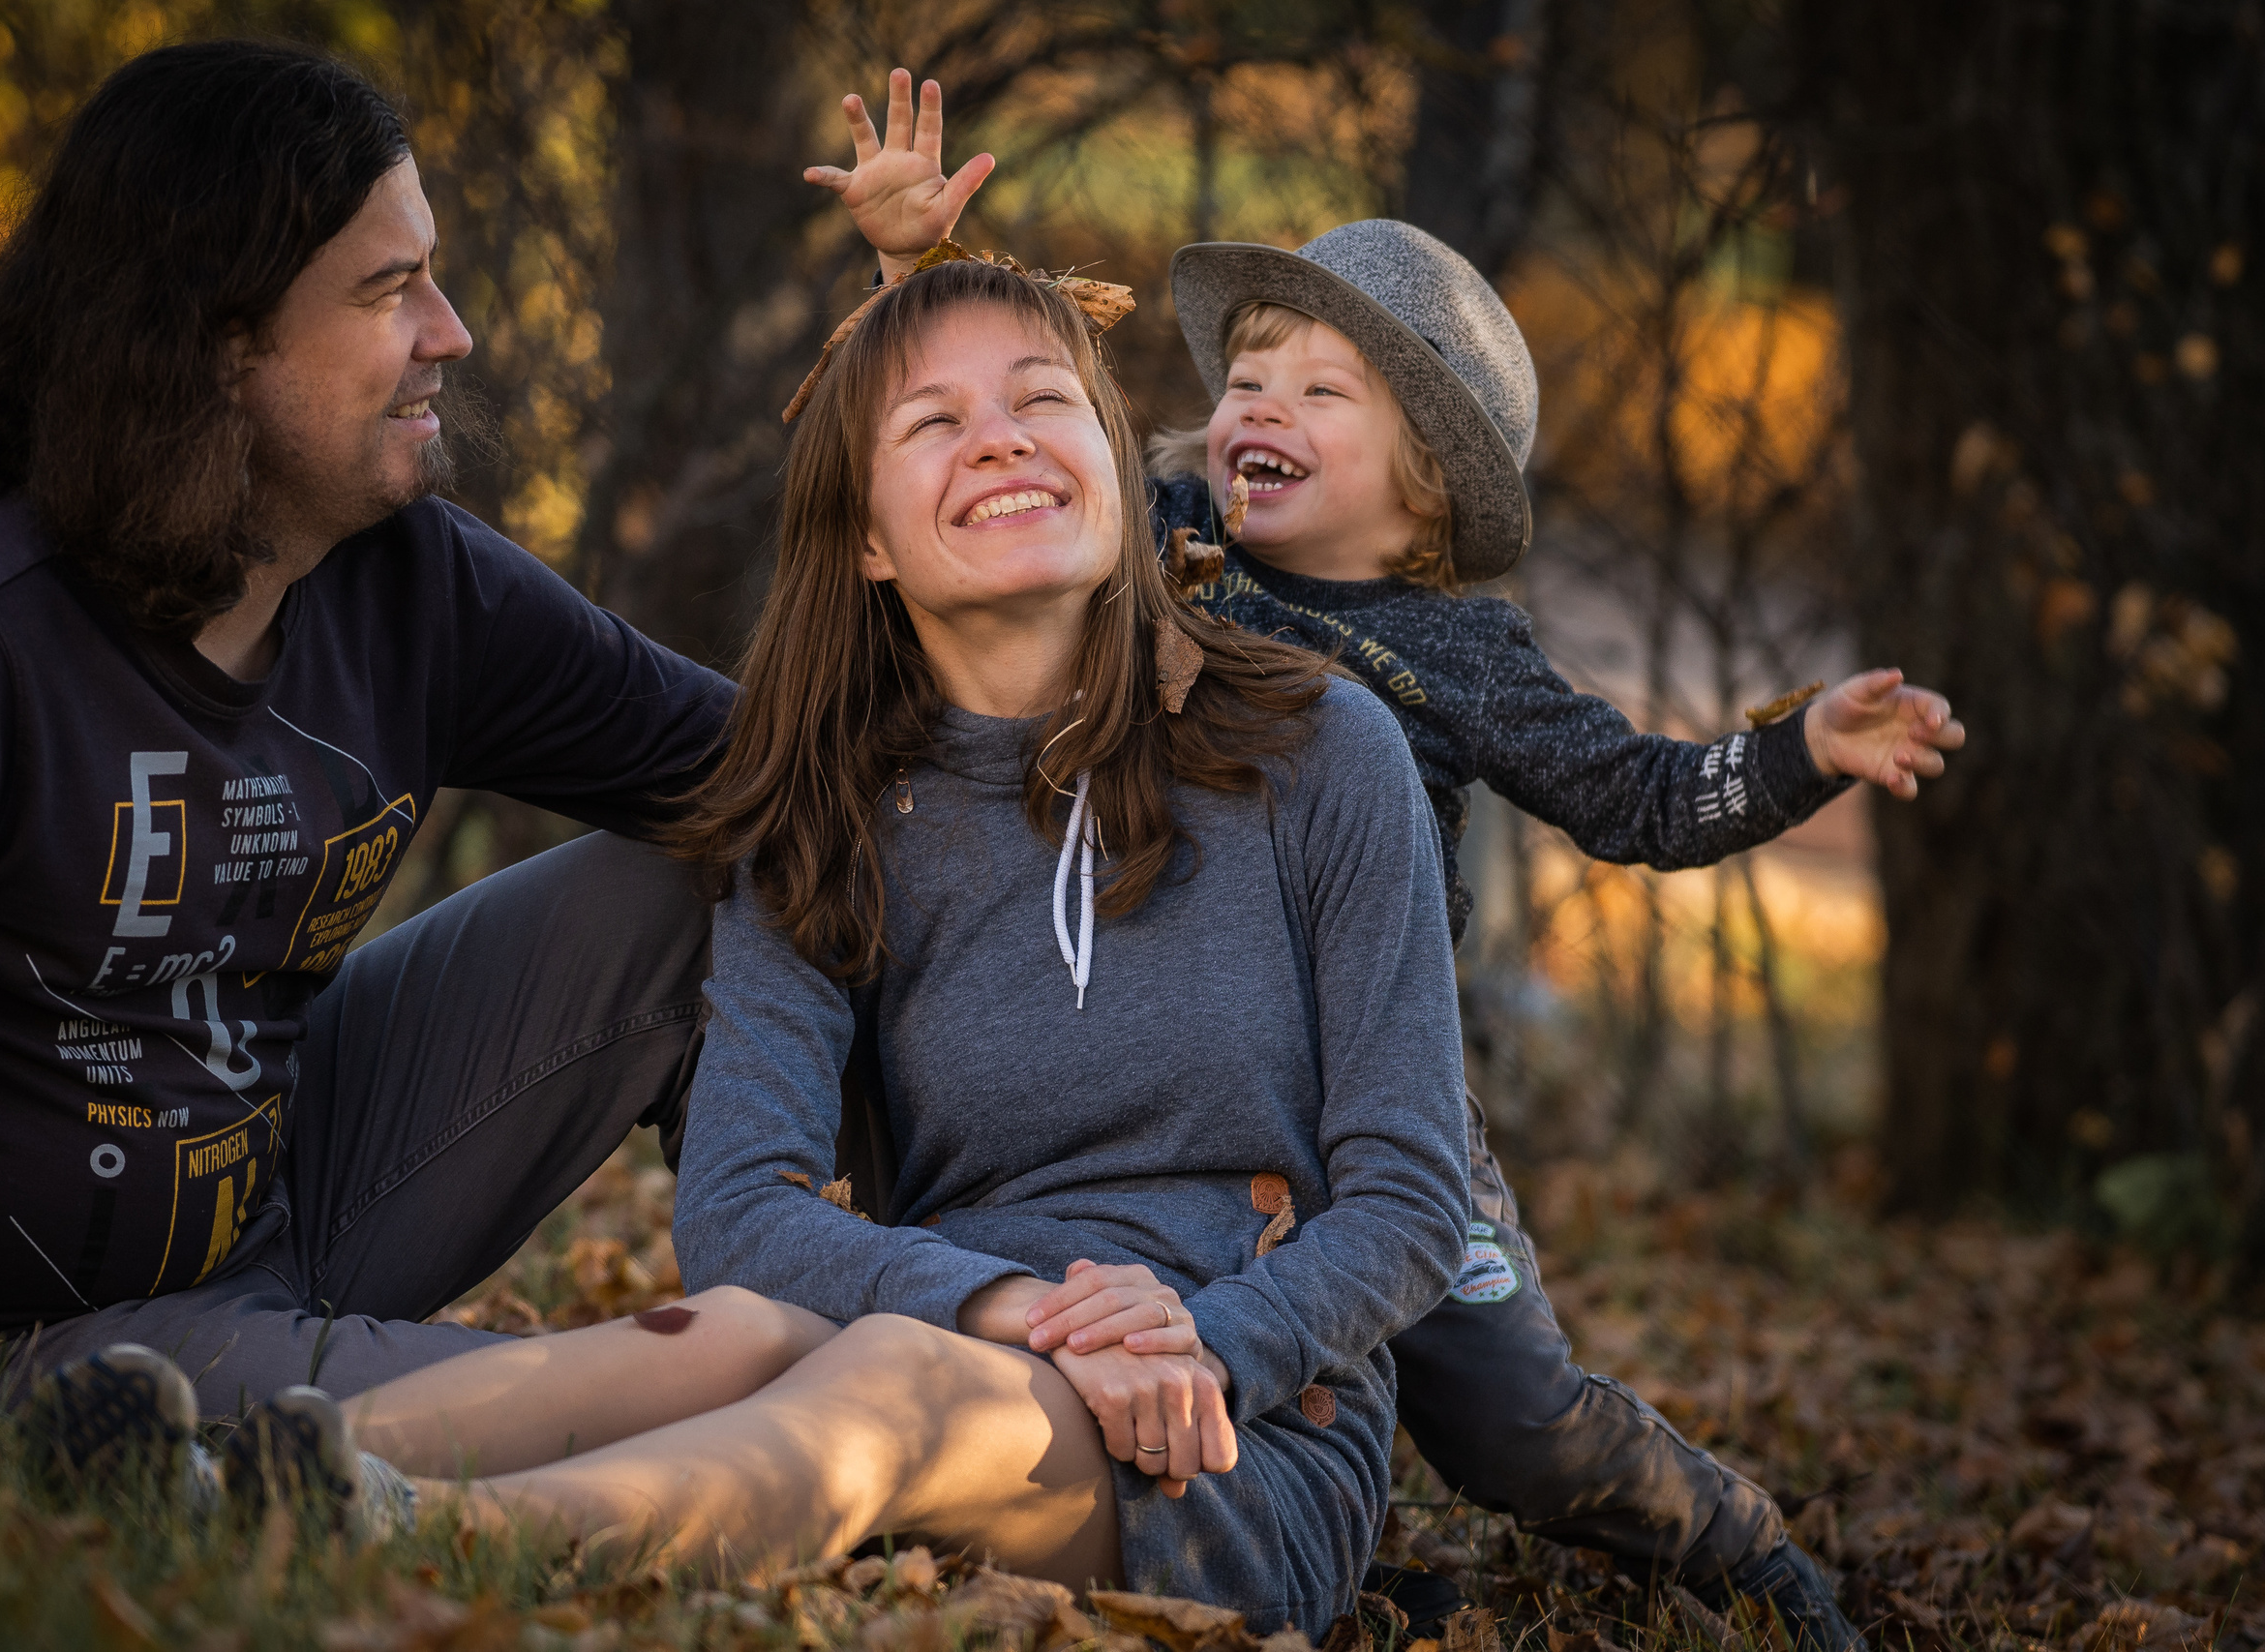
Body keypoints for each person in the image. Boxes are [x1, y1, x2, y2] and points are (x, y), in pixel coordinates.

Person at [20, 248, 1472, 1634]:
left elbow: (1412, 1196)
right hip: (952, 1340)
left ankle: (415, 1531)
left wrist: (1204, 1343)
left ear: (1113, 463)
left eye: (1044, 399)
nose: (1002, 439)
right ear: (867, 540)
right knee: (731, 1330)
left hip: (1237, 1421)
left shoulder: (1318, 751)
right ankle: (200, 1477)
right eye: (934, 422)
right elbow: (740, 1212)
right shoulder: (828, 811)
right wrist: (1014, 1306)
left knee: (901, 1376)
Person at [809, 72, 1972, 1650]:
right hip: (1181, 1069)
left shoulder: (1458, 654)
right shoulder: (1157, 538)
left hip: (1377, 1095)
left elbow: (1635, 797)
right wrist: (914, 268)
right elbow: (993, 457)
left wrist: (1799, 750)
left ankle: (1739, 1548)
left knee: (1508, 1422)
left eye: (1320, 391)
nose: (1257, 410)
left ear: (1426, 473)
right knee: (1172, 1325)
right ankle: (1243, 1523)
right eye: (1248, 378)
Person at [0, 42, 730, 1418]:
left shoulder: (413, 586)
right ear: (220, 345)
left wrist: (939, 448)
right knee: (703, 1399)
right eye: (390, 289)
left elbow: (785, 771)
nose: (451, 332)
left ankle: (937, 1285)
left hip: (288, 1215)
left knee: (704, 875)